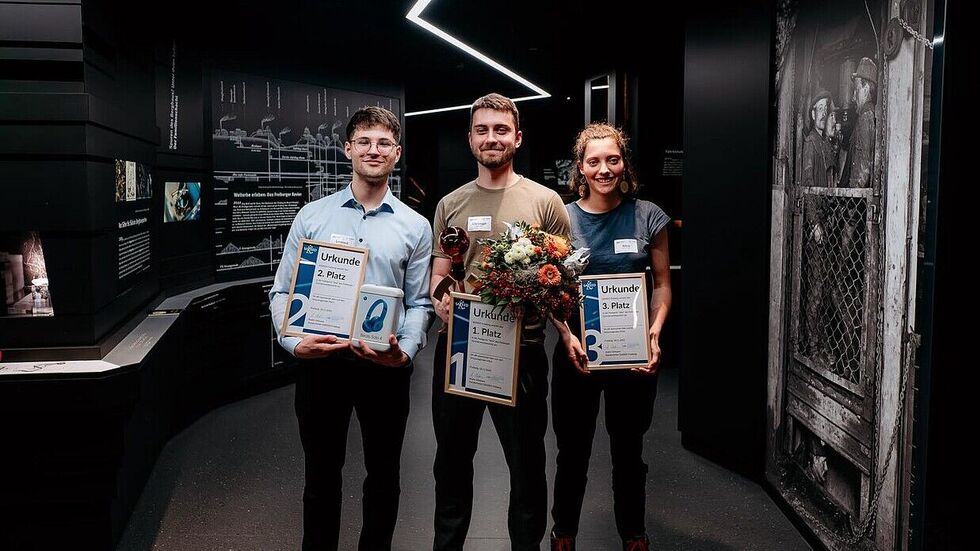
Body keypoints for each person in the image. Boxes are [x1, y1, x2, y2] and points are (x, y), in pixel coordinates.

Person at [269, 106, 433, 550]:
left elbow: (419, 301)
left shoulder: (416, 226)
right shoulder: (312, 217)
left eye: (383, 143)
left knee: (384, 477)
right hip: (323, 366)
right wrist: (293, 343)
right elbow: (281, 293)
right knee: (321, 477)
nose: (373, 150)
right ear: (348, 149)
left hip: (385, 367)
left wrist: (407, 351)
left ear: (396, 153)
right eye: (364, 141)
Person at [429, 93, 570, 551]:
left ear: (518, 137)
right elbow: (439, 276)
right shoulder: (450, 204)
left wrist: (563, 326)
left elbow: (563, 284)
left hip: (522, 356)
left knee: (527, 468)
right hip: (459, 352)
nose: (492, 138)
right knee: (451, 465)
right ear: (470, 138)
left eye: (501, 129)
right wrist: (440, 303)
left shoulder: (546, 202)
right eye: (483, 130)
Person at [550, 123, 671, 551]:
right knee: (573, 451)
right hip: (576, 353)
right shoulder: (561, 219)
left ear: (624, 162)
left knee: (628, 451)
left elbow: (661, 283)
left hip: (633, 353)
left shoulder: (648, 215)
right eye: (594, 161)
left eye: (613, 159)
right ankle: (564, 531)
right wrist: (564, 333)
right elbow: (550, 287)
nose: (605, 169)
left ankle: (633, 534)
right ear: (580, 167)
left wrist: (655, 333)